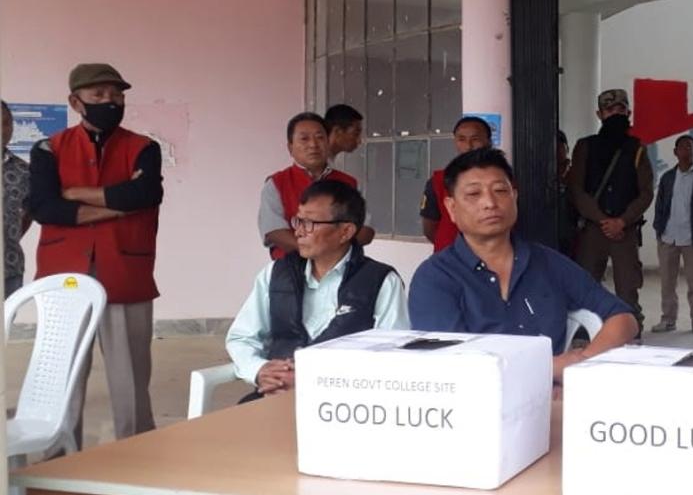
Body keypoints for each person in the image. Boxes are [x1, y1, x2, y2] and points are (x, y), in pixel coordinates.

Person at [408, 148, 638, 383]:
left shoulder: (549, 263)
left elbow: (623, 318)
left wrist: (578, 365)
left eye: (500, 190)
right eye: (474, 194)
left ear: (514, 197)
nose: (489, 203)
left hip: (553, 395)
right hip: (476, 399)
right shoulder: (435, 278)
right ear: (451, 208)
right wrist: (549, 369)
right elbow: (451, 366)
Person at [28, 63, 165, 445]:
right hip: (63, 273)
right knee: (61, 373)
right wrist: (118, 205)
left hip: (124, 269)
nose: (111, 102)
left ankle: (136, 450)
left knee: (130, 375)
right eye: (99, 95)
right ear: (76, 102)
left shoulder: (144, 148)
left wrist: (74, 194)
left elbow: (146, 194)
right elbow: (44, 207)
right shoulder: (48, 149)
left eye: (117, 95)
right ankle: (58, 452)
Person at [228, 180, 408, 402]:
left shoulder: (381, 281)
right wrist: (260, 370)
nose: (298, 232)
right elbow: (242, 337)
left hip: (346, 403)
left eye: (310, 223)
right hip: (276, 394)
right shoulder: (276, 273)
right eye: (298, 221)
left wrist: (312, 380)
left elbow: (393, 354)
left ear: (345, 231)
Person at [569, 89, 654, 327]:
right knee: (585, 285)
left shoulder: (637, 149)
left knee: (628, 289)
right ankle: (584, 332)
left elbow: (646, 192)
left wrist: (622, 221)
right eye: (609, 110)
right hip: (593, 230)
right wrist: (603, 220)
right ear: (599, 114)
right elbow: (576, 189)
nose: (615, 114)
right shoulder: (585, 146)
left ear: (629, 113)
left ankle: (630, 332)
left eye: (620, 109)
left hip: (625, 231)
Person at [259, 112, 373, 260]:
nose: (313, 145)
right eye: (304, 139)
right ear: (290, 147)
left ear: (328, 142)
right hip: (291, 267)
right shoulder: (276, 183)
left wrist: (330, 252)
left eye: (320, 138)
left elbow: (366, 230)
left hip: (344, 267)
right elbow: (274, 231)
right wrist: (317, 251)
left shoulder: (349, 183)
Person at [651, 135, 693, 335]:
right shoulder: (667, 178)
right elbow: (660, 205)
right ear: (675, 152)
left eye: (689, 147)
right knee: (667, 283)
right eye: (682, 147)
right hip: (668, 237)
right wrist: (659, 229)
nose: (686, 150)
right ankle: (668, 319)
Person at [420, 116, 492, 252]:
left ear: (488, 141)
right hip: (450, 258)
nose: (468, 146)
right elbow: (430, 228)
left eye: (475, 139)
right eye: (461, 139)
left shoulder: (503, 181)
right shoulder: (438, 181)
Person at [2, 100, 32, 297]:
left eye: (6, 123)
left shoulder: (23, 170)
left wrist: (10, 238)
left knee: (6, 316)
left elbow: (29, 211)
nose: (2, 130)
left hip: (9, 268)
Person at [556, 129, 579, 257]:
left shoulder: (575, 173)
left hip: (571, 230)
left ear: (567, 149)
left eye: (560, 146)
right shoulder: (542, 174)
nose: (557, 151)